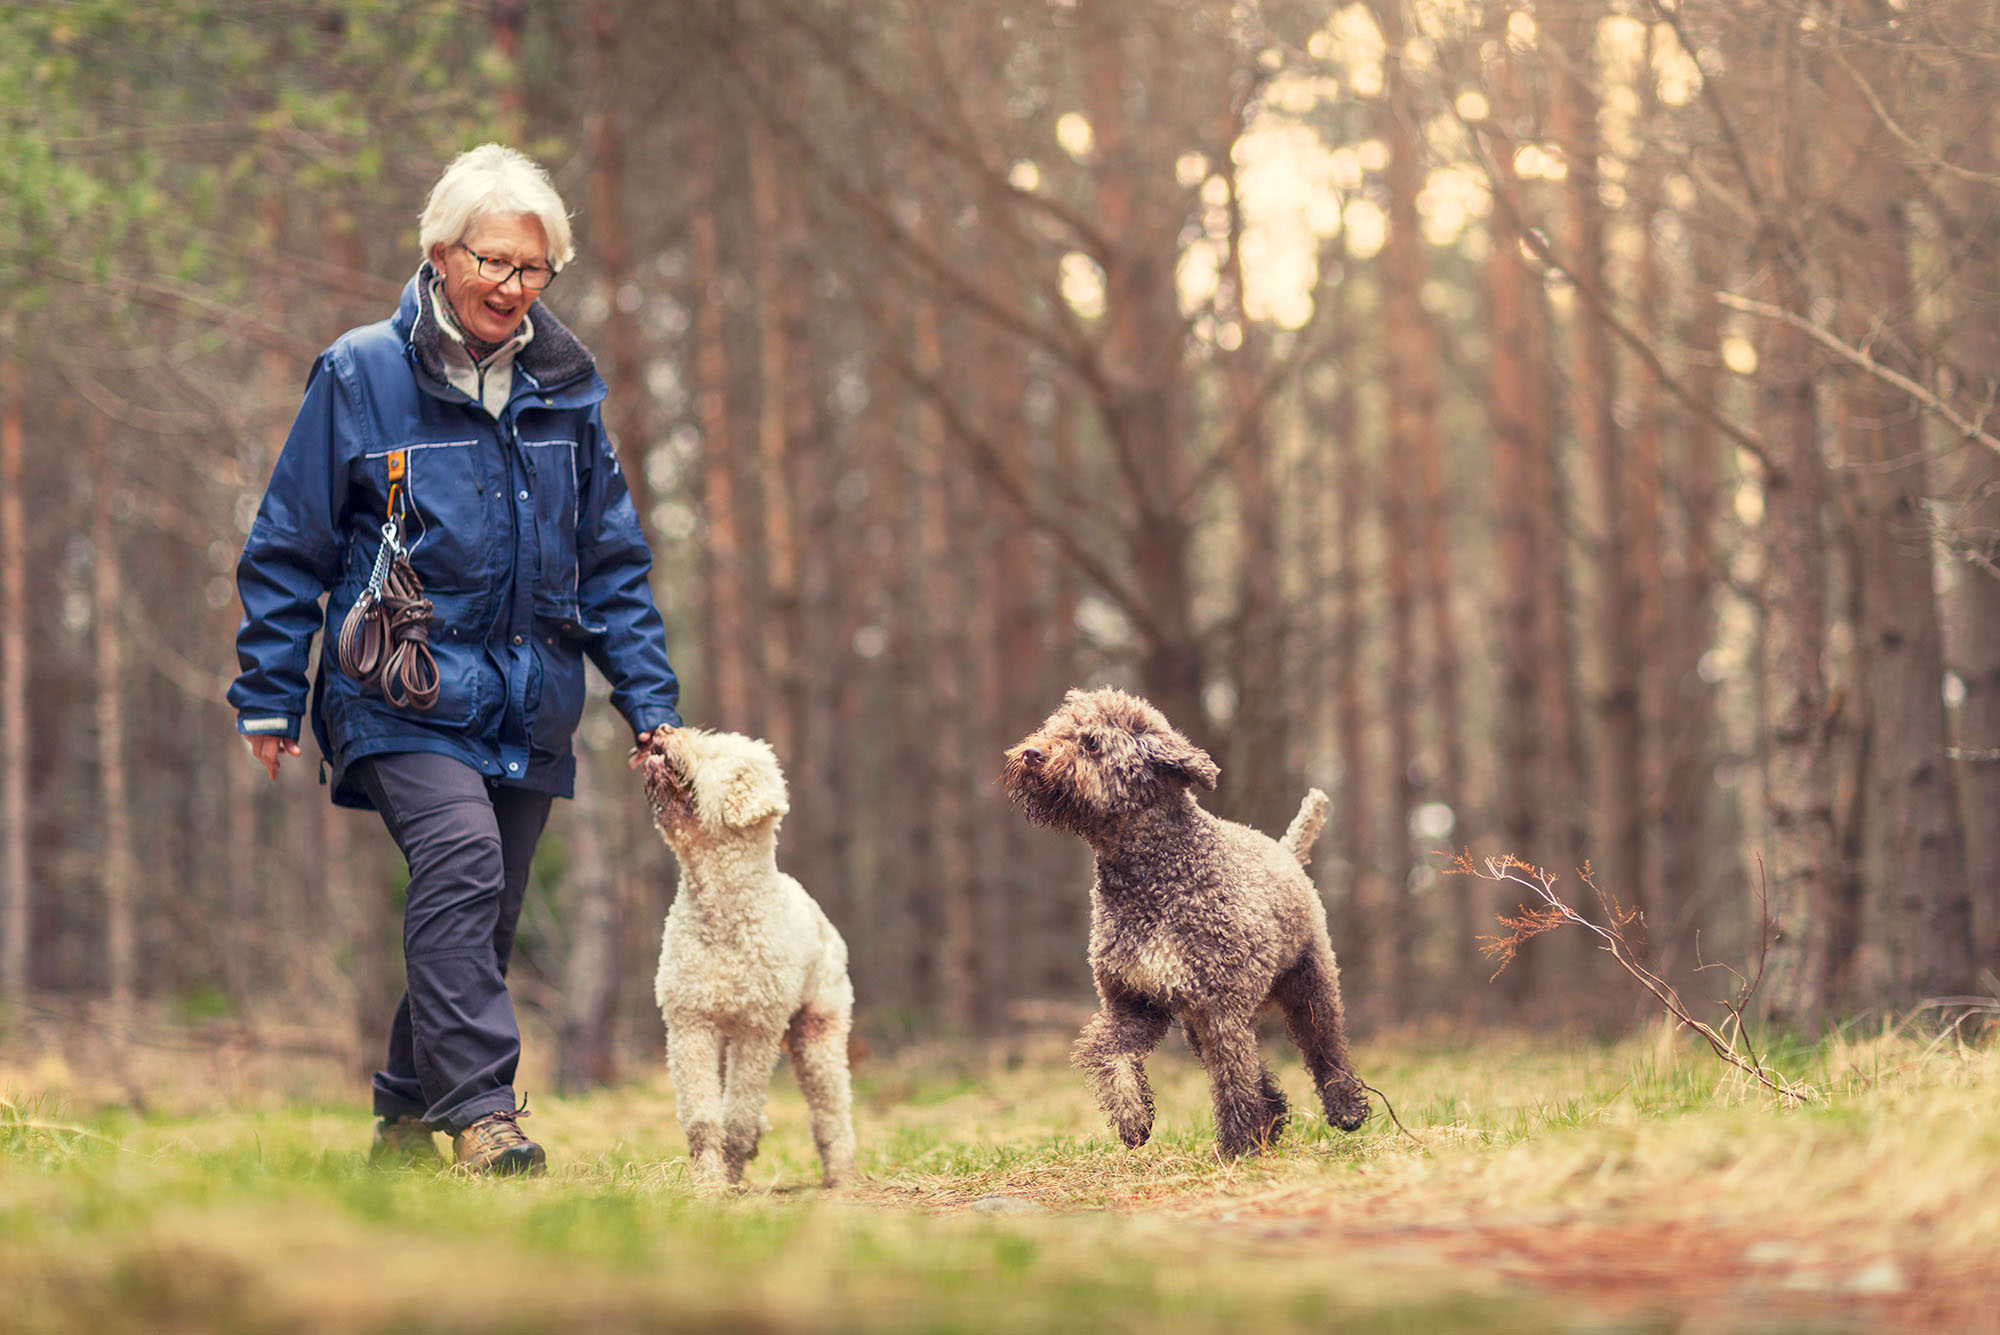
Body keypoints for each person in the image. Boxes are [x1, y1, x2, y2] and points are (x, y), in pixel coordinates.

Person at [229, 144, 682, 1175]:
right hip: (398, 688)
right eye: (493, 264)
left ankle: (399, 1119)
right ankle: (483, 1117)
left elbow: (611, 562)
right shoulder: (359, 374)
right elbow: (288, 543)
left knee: (478, 917)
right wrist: (267, 697)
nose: (511, 290)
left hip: (527, 701)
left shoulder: (567, 391)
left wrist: (651, 707)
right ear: (440, 256)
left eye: (533, 272)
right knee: (463, 868)